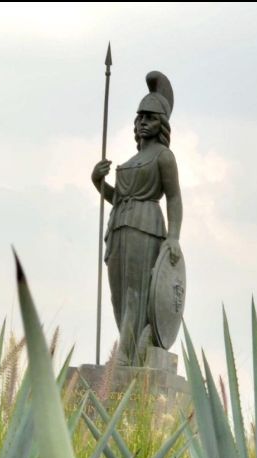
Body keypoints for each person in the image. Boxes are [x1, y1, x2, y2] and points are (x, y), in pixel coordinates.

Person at [91, 71, 183, 365]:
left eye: (150, 117)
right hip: (119, 226)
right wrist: (98, 182)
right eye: (140, 116)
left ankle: (127, 355)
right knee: (119, 295)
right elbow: (118, 197)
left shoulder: (164, 157)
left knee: (136, 292)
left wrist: (174, 237)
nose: (143, 122)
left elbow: (174, 197)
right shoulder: (131, 161)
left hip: (146, 227)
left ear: (161, 123)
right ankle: (127, 350)